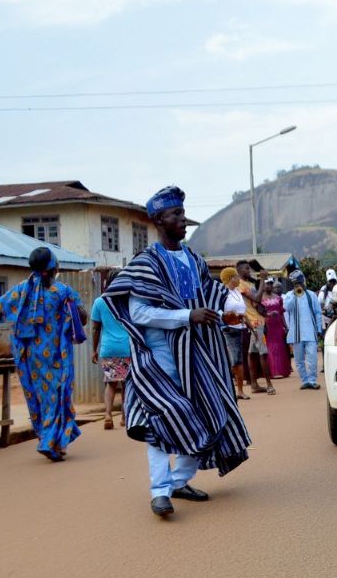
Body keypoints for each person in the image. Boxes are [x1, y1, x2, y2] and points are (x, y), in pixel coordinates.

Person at [103, 186, 251, 517]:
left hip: (198, 358)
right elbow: (139, 314)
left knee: (212, 417)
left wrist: (229, 312)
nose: (183, 220)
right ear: (158, 220)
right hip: (160, 359)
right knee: (160, 420)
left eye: (183, 214)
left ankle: (176, 483)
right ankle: (160, 492)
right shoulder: (146, 264)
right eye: (176, 215)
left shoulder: (194, 260)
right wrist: (186, 316)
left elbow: (211, 295)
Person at [0, 247, 88, 461]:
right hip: (56, 354)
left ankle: (55, 441)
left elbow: (0, 306)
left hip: (30, 356)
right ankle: (49, 441)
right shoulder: (63, 291)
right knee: (58, 396)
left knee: (42, 397)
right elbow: (81, 319)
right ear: (54, 265)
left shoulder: (22, 289)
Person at [91, 268, 132, 429]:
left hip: (108, 349)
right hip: (127, 348)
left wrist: (94, 350)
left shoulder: (100, 302)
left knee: (111, 383)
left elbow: (95, 328)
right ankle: (124, 417)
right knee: (127, 384)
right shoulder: (128, 301)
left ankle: (108, 415)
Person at [235, 260, 275, 394]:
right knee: (263, 353)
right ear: (239, 271)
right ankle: (269, 384)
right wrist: (263, 280)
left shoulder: (250, 283)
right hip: (253, 323)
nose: (249, 271)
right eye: (246, 269)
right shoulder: (240, 284)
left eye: (249, 269)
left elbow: (257, 303)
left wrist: (266, 314)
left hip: (258, 320)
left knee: (252, 353)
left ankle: (254, 384)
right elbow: (257, 298)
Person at [283, 269, 323, 390]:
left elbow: (318, 313)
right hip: (296, 333)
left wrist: (319, 328)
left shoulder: (311, 295)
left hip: (311, 332)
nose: (299, 285)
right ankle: (305, 380)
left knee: (312, 358)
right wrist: (295, 294)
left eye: (300, 283)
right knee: (299, 359)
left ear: (303, 281)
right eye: (296, 284)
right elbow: (287, 307)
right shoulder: (289, 295)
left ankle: (312, 380)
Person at [220, 267, 251, 400]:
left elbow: (243, 313)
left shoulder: (237, 293)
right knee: (235, 360)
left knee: (239, 359)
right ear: (231, 278)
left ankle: (239, 389)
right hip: (228, 330)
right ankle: (236, 390)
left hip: (241, 329)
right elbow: (218, 310)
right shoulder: (222, 293)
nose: (239, 279)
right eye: (236, 276)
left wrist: (252, 329)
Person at [260, 276, 292, 378]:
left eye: (270, 283)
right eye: (267, 284)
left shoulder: (278, 298)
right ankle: (272, 372)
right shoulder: (259, 298)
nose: (269, 285)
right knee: (269, 348)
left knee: (280, 347)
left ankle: (282, 371)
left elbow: (282, 313)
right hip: (267, 326)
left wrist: (285, 326)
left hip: (278, 325)